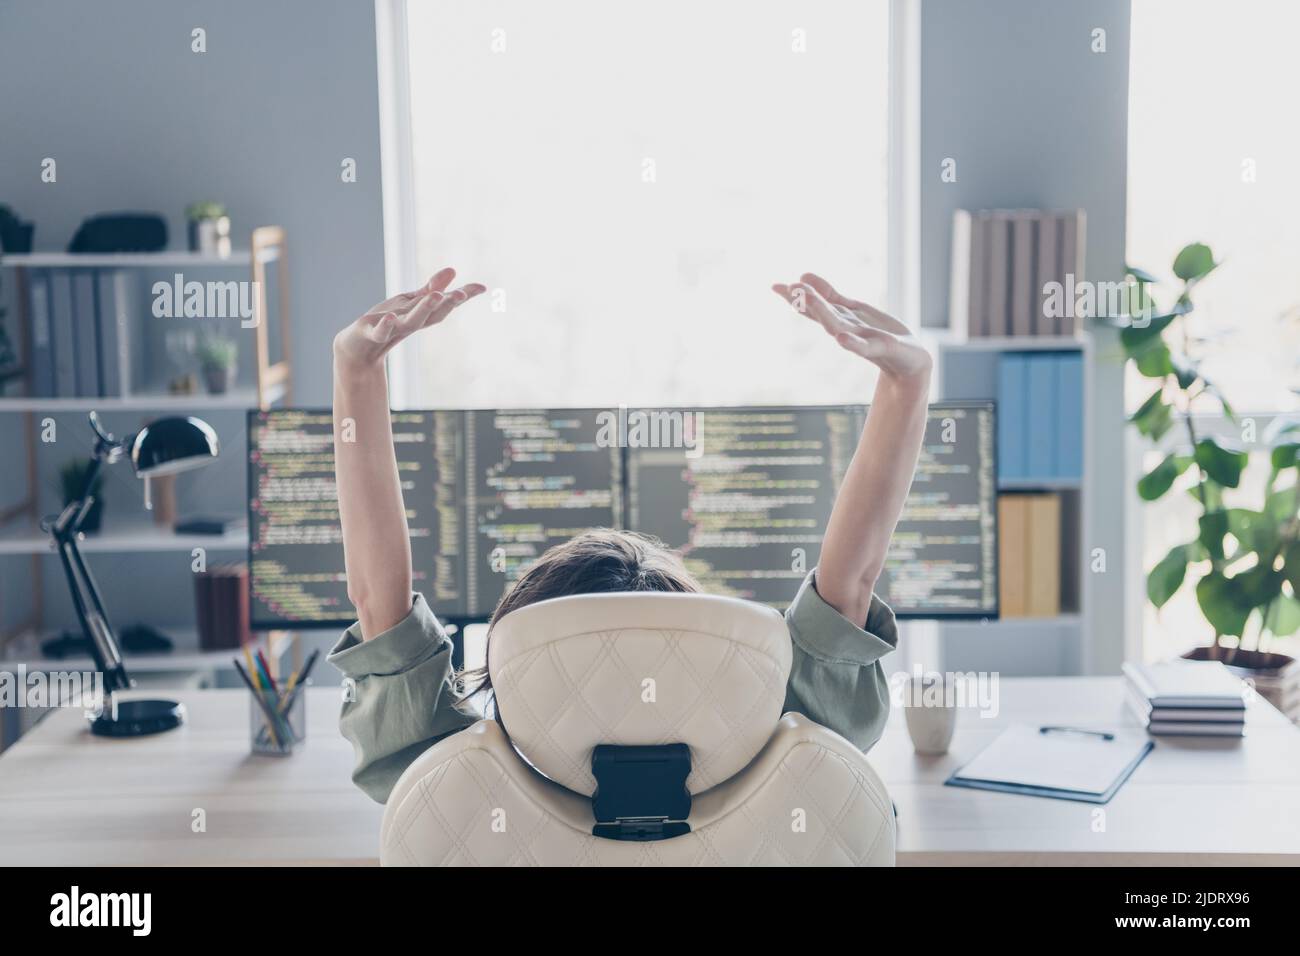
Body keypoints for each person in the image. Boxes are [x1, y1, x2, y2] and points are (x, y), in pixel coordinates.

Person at [328, 267, 932, 803]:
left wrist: (357, 372)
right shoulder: (785, 773)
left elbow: (379, 606)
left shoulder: (458, 789)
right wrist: (907, 385)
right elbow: (850, 585)